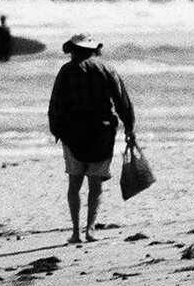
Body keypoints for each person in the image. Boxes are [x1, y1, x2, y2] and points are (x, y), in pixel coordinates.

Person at [47, 34, 136, 245]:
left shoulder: (66, 71)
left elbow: (56, 104)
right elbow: (122, 100)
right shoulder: (107, 69)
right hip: (102, 133)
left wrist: (57, 131)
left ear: (72, 50)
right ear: (94, 49)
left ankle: (76, 232)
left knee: (74, 184)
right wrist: (129, 127)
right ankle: (91, 230)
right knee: (96, 186)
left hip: (73, 132)